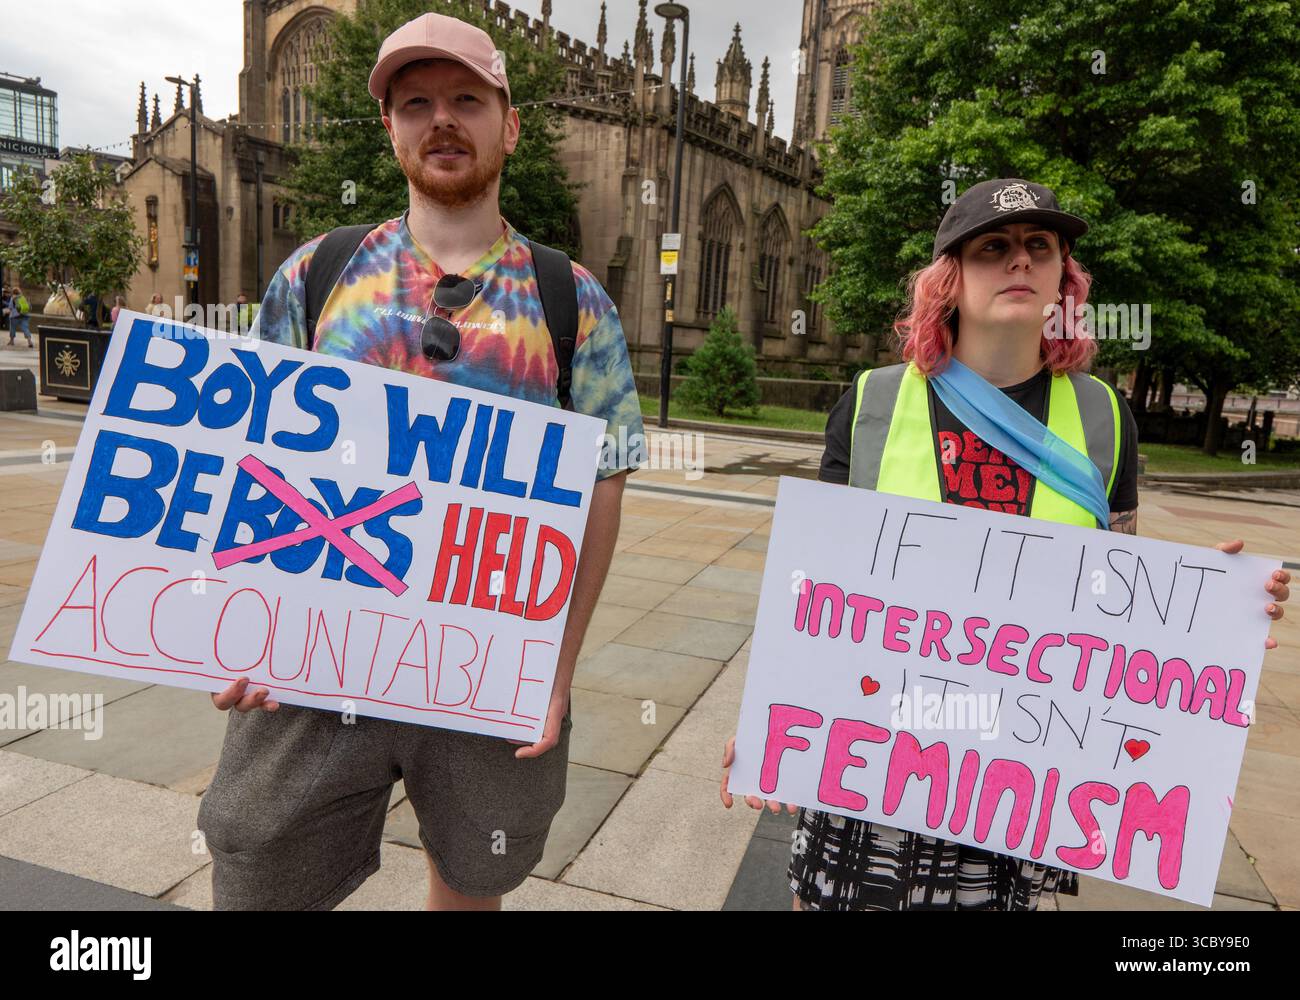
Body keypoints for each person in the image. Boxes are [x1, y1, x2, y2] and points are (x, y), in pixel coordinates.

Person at [720, 178, 1292, 911]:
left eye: (1040, 247)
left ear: (1063, 280)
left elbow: (1115, 602)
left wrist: (1212, 612)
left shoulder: (1102, 417)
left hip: (1016, 768)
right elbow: (813, 593)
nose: (1019, 261)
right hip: (876, 754)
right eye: (994, 247)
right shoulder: (874, 402)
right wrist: (768, 719)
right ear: (950, 280)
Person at [197, 11, 644, 912]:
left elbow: (601, 493)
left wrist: (556, 673)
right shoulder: (317, 274)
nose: (442, 119)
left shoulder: (570, 299)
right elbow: (248, 458)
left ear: (508, 124)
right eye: (417, 103)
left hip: (486, 660)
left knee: (475, 877)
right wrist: (238, 622)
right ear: (391, 129)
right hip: (317, 656)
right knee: (256, 868)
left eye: (467, 100)